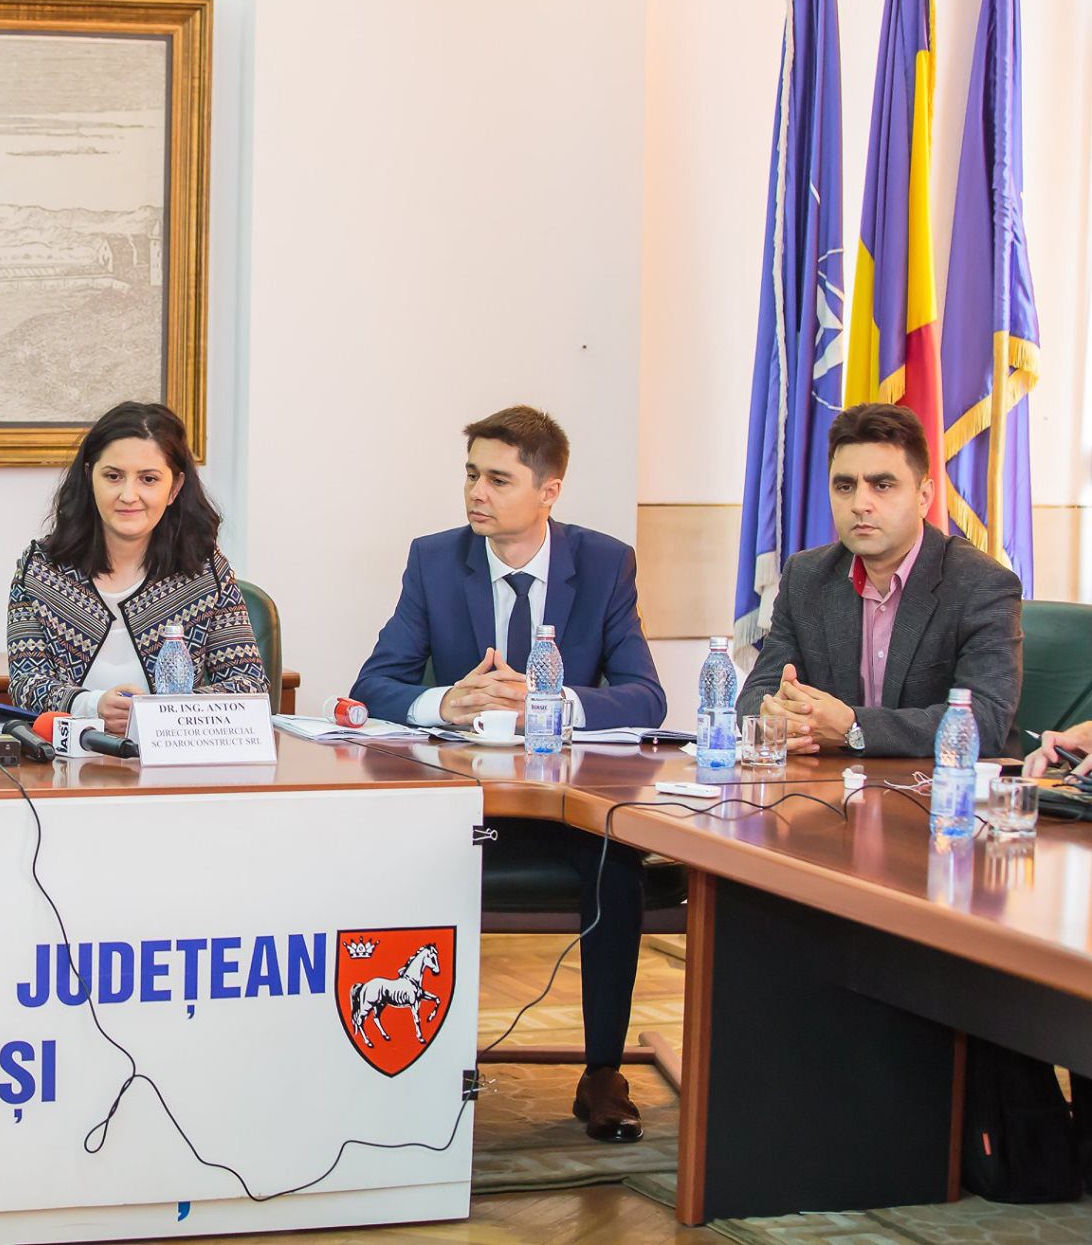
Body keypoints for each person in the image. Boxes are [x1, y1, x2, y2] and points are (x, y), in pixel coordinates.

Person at [351, 406, 666, 1143]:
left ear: (549, 491)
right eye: (471, 474)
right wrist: (445, 700)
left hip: (568, 805)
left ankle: (603, 1070)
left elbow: (646, 696)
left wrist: (548, 702)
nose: (476, 493)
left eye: (498, 479)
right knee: (387, 852)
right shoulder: (436, 559)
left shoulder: (604, 563)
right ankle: (408, 1059)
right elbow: (374, 684)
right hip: (466, 802)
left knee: (616, 866)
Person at [738, 403, 1022, 757]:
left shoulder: (981, 583)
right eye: (845, 486)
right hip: (832, 786)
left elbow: (986, 721)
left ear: (924, 497)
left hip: (941, 788)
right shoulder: (807, 576)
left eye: (882, 485)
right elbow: (757, 693)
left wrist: (854, 727)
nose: (860, 504)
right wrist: (775, 715)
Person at [6, 401, 266, 731]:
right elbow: (26, 685)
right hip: (69, 756)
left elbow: (248, 686)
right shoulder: (40, 570)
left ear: (174, 488)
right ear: (89, 477)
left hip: (174, 755)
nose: (129, 495)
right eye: (113, 476)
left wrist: (157, 711)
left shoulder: (205, 572)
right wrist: (90, 705)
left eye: (148, 479)